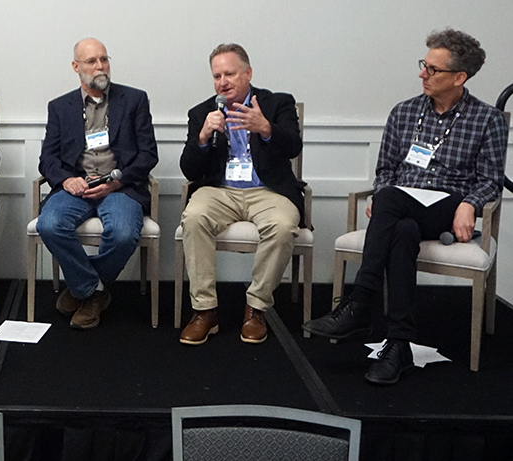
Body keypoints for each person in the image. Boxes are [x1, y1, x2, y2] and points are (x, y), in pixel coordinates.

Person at [303, 29, 508, 385]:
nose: (422, 75)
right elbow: (385, 170)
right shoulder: (405, 111)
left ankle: (359, 302)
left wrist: (469, 205)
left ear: (459, 77)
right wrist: (384, 194)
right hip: (402, 209)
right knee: (401, 228)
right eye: (423, 65)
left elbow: (490, 179)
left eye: (433, 69)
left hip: (447, 207)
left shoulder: (487, 120)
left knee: (391, 200)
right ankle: (399, 345)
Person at [179, 43, 304, 345]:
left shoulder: (278, 104)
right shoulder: (202, 112)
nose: (223, 82)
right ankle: (205, 311)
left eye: (230, 74)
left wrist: (266, 128)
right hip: (220, 191)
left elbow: (293, 147)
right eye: (217, 76)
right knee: (194, 217)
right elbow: (190, 170)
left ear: (247, 73)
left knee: (284, 225)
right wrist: (204, 137)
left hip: (267, 190)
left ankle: (256, 307)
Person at [36, 38, 158, 330]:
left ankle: (83, 288)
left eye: (104, 59)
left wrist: (117, 182)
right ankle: (93, 291)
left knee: (124, 232)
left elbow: (148, 154)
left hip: (120, 186)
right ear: (76, 67)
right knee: (49, 225)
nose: (100, 66)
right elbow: (48, 158)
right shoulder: (60, 107)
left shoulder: (134, 100)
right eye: (91, 61)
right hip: (77, 186)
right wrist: (67, 180)